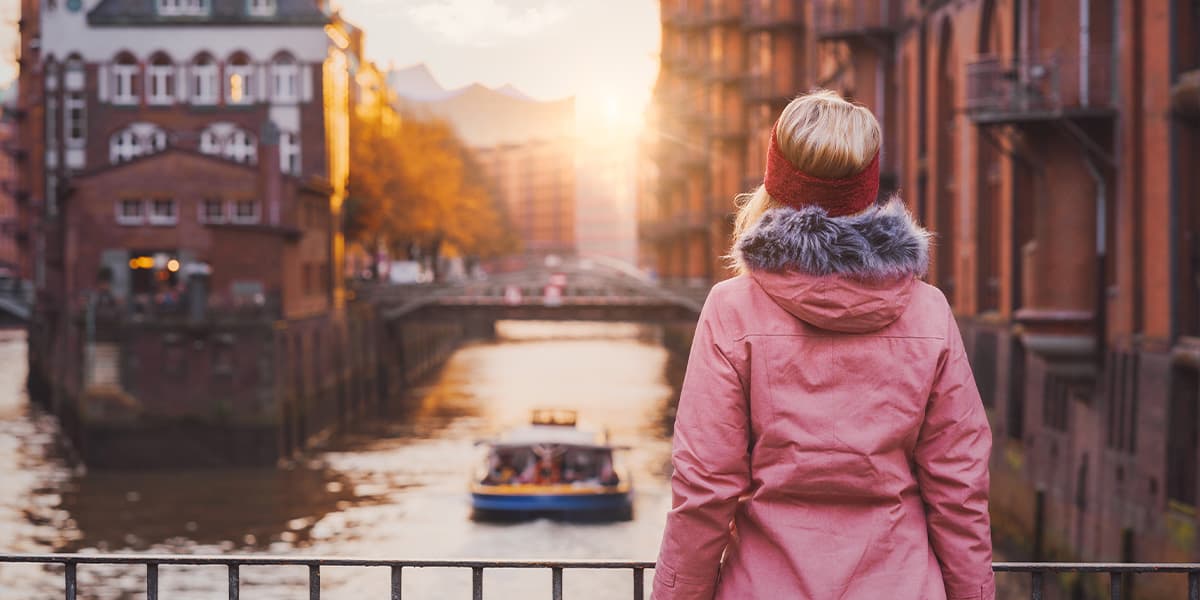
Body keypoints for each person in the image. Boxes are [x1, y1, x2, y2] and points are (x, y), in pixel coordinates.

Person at [653, 90, 994, 600]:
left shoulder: (732, 308)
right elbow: (959, 487)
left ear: (775, 180)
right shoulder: (928, 311)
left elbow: (704, 490)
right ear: (868, 189)